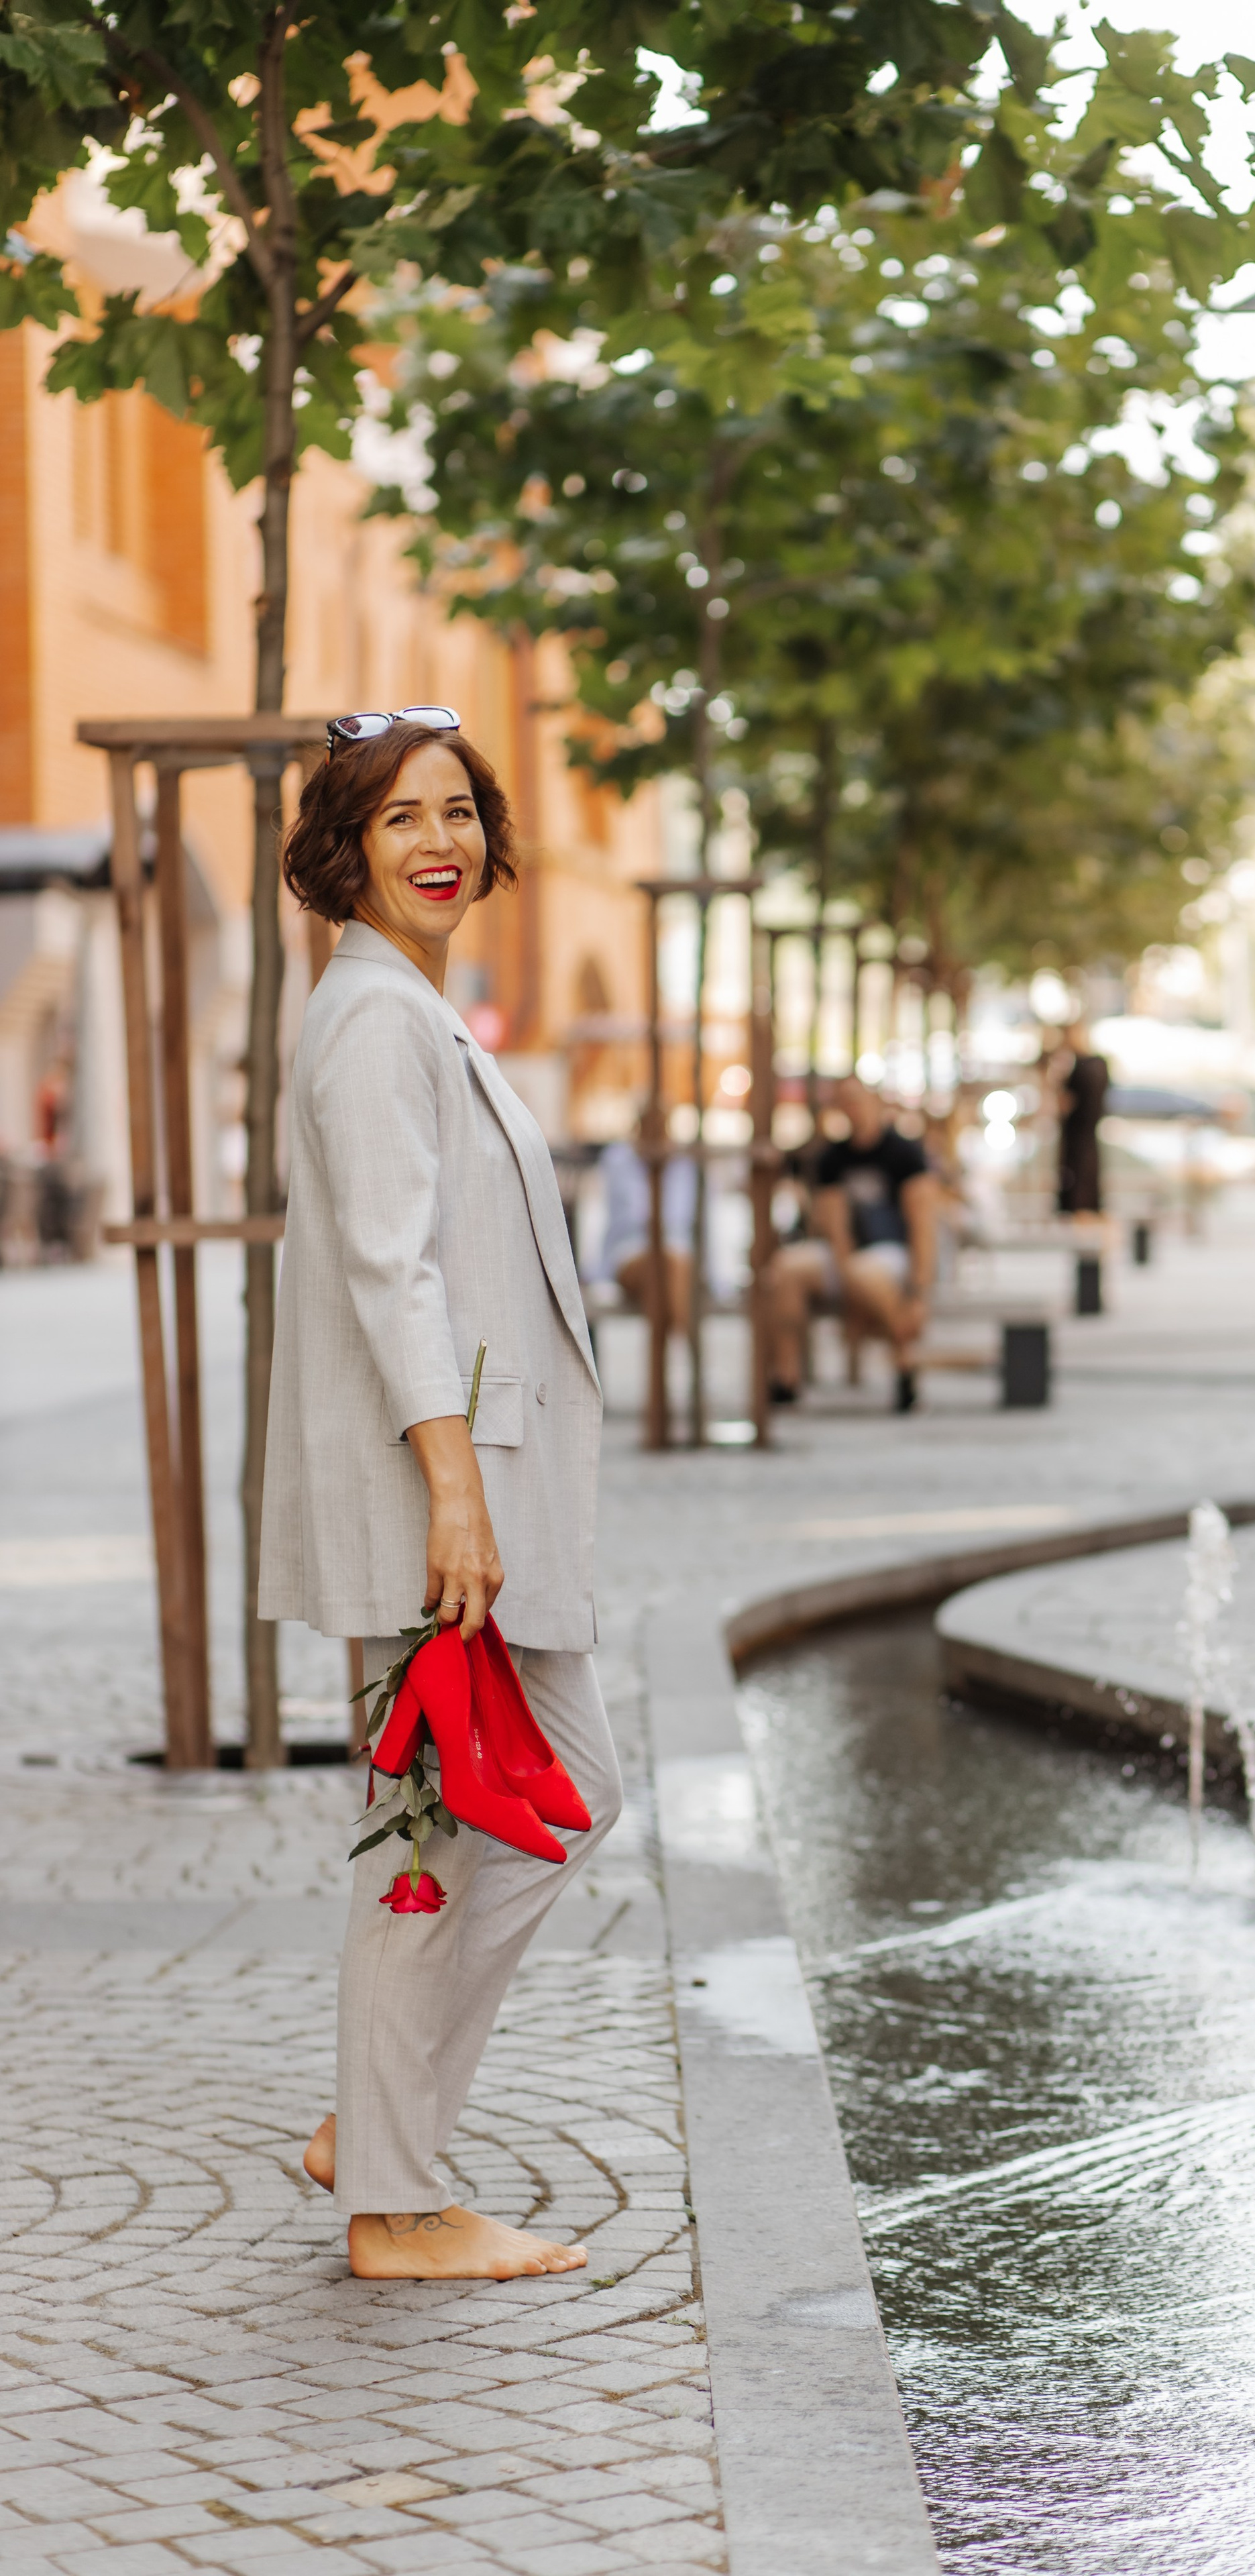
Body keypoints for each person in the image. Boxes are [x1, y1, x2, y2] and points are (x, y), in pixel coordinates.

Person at [260, 708, 621, 2282]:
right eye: (401, 815)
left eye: (459, 811)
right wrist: (452, 1487)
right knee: (435, 1830)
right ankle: (397, 2208)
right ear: (343, 847)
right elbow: (390, 1271)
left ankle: (375, 2121)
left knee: (548, 1800)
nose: (438, 841)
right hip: (440, 1497)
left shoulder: (409, 1009)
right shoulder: (371, 1020)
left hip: (464, 1486)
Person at [764, 1073, 937, 1412]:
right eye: (845, 1102)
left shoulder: (905, 1153)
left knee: (864, 1273)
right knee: (786, 1270)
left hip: (891, 1251)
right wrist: (845, 1274)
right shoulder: (832, 1158)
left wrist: (919, 1292)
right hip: (846, 1256)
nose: (852, 1108)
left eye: (858, 1100)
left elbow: (922, 1226)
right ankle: (787, 1377)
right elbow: (834, 1226)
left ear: (876, 1102)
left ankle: (904, 1360)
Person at [594, 1123, 696, 1338]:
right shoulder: (619, 1158)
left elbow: (684, 1219)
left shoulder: (684, 1162)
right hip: (630, 1252)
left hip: (676, 1259)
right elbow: (634, 1215)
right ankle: (682, 1342)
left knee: (666, 1272)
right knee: (667, 1264)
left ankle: (662, 1351)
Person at [1056, 1024, 1110, 1216]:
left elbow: (1066, 1102)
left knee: (1079, 1172)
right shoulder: (1098, 1065)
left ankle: (1081, 1209)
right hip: (1086, 1131)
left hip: (1079, 1131)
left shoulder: (1083, 1067)